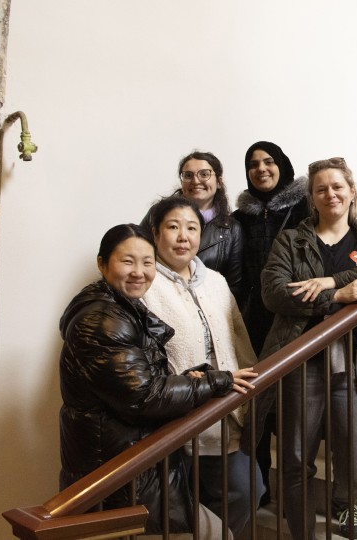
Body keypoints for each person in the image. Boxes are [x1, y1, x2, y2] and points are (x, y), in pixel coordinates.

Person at [58, 223, 257, 538]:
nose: (139, 272)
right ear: (102, 264)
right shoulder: (101, 321)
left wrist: (194, 378)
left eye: (147, 262)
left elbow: (138, 382)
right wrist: (217, 381)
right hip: (119, 478)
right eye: (128, 261)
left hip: (139, 468)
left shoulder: (126, 310)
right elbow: (144, 396)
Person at [257, 157, 357, 539]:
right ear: (312, 197)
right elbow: (274, 293)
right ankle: (303, 531)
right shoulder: (291, 240)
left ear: (352, 191)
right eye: (321, 188)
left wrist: (329, 280)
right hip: (303, 361)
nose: (331, 194)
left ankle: (346, 509)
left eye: (338, 186)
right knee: (295, 459)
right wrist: (338, 294)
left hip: (355, 362)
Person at [142, 197, 263, 538]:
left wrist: (251, 383)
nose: (183, 236)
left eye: (192, 228)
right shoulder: (145, 283)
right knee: (174, 505)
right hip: (174, 414)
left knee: (246, 489)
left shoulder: (216, 281)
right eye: (173, 227)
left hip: (224, 410)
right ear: (155, 233)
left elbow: (238, 336)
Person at [232, 140, 309, 505]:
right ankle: (261, 488)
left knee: (296, 407)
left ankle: (298, 487)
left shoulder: (305, 207)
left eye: (268, 162)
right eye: (253, 164)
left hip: (296, 318)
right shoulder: (240, 217)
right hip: (254, 322)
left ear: (283, 165)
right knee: (257, 406)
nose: (261, 169)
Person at [141, 151, 243, 298]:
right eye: (188, 175)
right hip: (160, 298)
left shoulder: (232, 229)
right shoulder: (158, 213)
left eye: (204, 174)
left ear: (219, 182)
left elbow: (234, 286)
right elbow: (139, 256)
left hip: (208, 306)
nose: (195, 181)